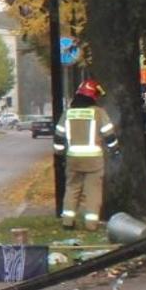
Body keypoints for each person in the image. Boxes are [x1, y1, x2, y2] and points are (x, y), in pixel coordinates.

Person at [54, 79, 117, 230]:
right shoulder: (99, 113)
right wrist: (114, 150)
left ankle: (67, 222)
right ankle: (91, 224)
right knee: (93, 192)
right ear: (93, 97)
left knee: (72, 189)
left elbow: (59, 136)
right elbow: (109, 136)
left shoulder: (68, 113)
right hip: (94, 161)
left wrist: (59, 154)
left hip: (73, 159)